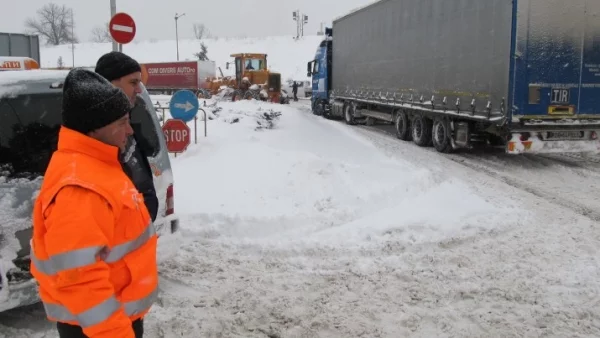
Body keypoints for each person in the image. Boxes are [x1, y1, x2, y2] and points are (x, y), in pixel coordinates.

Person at [29, 68, 158, 338]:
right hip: (98, 330)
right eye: (122, 122)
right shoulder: (79, 187)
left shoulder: (98, 164)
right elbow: (81, 280)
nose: (130, 130)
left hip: (113, 318)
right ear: (95, 128)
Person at [94, 51, 159, 222]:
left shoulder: (126, 126)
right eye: (133, 82)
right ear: (109, 85)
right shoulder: (100, 134)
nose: (139, 89)